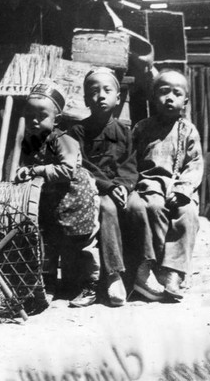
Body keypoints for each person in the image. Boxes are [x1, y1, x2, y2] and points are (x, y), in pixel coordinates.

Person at [15, 79, 100, 307]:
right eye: (30, 114)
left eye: (41, 115)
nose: (34, 120)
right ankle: (48, 283)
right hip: (52, 201)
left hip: (76, 198)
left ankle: (90, 286)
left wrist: (36, 170)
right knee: (48, 243)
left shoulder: (62, 140)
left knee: (82, 243)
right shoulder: (31, 141)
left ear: (56, 120)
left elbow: (67, 169)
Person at [127, 68, 204, 301]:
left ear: (185, 101)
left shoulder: (188, 130)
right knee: (155, 209)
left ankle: (175, 272)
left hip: (180, 185)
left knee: (188, 213)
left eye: (176, 93)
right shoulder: (142, 128)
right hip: (149, 184)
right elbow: (131, 160)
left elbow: (195, 164)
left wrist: (183, 189)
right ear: (152, 98)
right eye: (163, 92)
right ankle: (156, 266)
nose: (170, 98)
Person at [69, 67, 138, 307]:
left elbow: (130, 164)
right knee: (107, 208)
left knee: (139, 208)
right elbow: (82, 164)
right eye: (94, 91)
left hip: (117, 189)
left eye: (107, 90)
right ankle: (113, 275)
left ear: (117, 98)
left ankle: (144, 271)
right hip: (90, 188)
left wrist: (123, 186)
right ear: (86, 99)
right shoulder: (78, 131)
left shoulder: (123, 131)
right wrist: (109, 187)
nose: (101, 95)